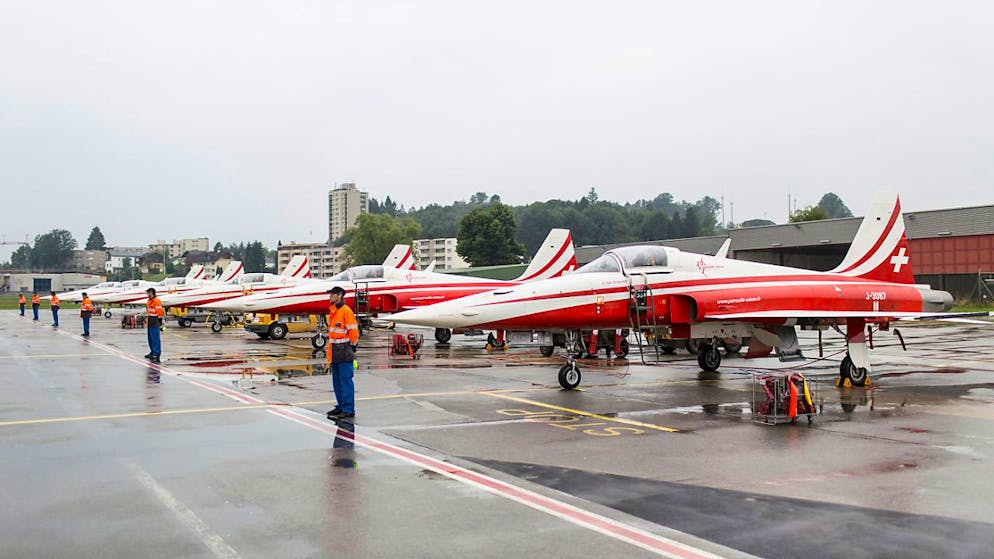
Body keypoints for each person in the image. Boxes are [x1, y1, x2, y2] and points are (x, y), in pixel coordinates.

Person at [325, 286, 360, 420]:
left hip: (344, 351)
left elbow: (353, 332)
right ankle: (341, 405)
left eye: (332, 294)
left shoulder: (346, 311)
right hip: (335, 351)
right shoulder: (334, 311)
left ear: (339, 295)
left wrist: (352, 346)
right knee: (337, 382)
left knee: (345, 381)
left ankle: (348, 409)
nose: (330, 296)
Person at [145, 287, 164, 363]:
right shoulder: (149, 301)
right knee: (150, 338)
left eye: (149, 293)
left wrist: (160, 322)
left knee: (155, 338)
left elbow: (159, 312)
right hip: (150, 320)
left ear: (152, 293)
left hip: (155, 320)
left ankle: (157, 353)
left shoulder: (156, 301)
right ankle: (152, 351)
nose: (148, 294)